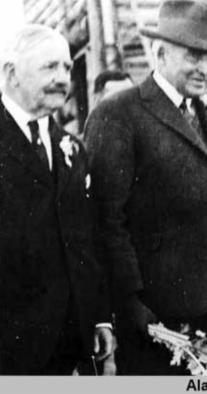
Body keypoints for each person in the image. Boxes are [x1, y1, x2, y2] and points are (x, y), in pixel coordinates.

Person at [85, 0, 207, 375]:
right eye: (195, 56)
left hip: (206, 318)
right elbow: (106, 222)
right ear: (160, 53)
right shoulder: (119, 115)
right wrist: (131, 304)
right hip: (151, 326)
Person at [0, 24, 114, 375]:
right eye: (50, 67)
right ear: (11, 73)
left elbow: (83, 239)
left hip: (69, 346)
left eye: (66, 68)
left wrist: (99, 318)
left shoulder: (71, 149)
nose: (63, 78)